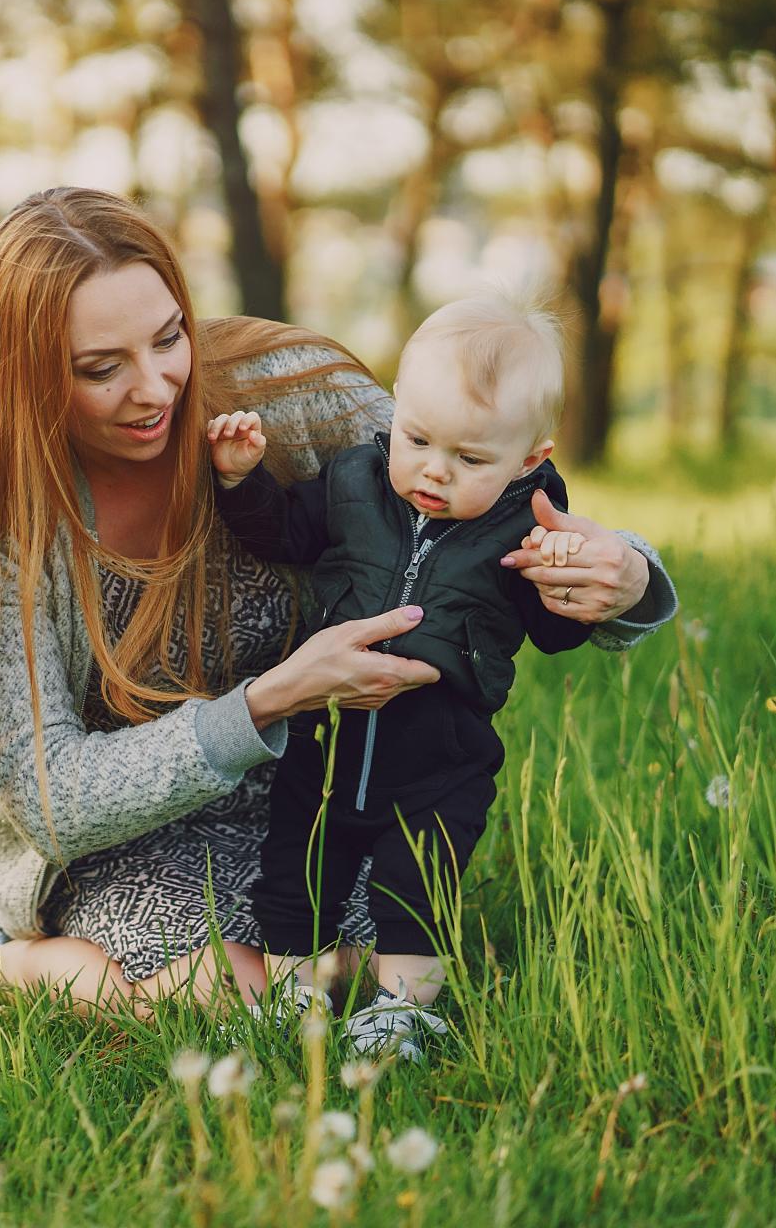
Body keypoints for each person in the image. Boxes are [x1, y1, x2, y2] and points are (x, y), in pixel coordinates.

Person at [0, 188, 676, 1034]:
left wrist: (627, 576)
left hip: (305, 791)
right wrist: (272, 699)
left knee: (374, 974)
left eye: (170, 337)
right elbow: (55, 797)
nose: (156, 389)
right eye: (101, 368)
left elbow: (478, 477)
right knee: (235, 996)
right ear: (26, 376)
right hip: (113, 838)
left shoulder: (288, 395)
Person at [206, 290, 611, 1059]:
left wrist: (567, 586)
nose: (434, 472)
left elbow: (554, 635)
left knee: (415, 885)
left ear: (531, 459)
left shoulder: (527, 526)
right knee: (295, 873)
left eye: (471, 459)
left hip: (440, 758)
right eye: (419, 440)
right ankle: (295, 1000)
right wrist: (240, 482)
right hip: (323, 743)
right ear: (396, 410)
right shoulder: (357, 480)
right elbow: (283, 534)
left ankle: (405, 1012)